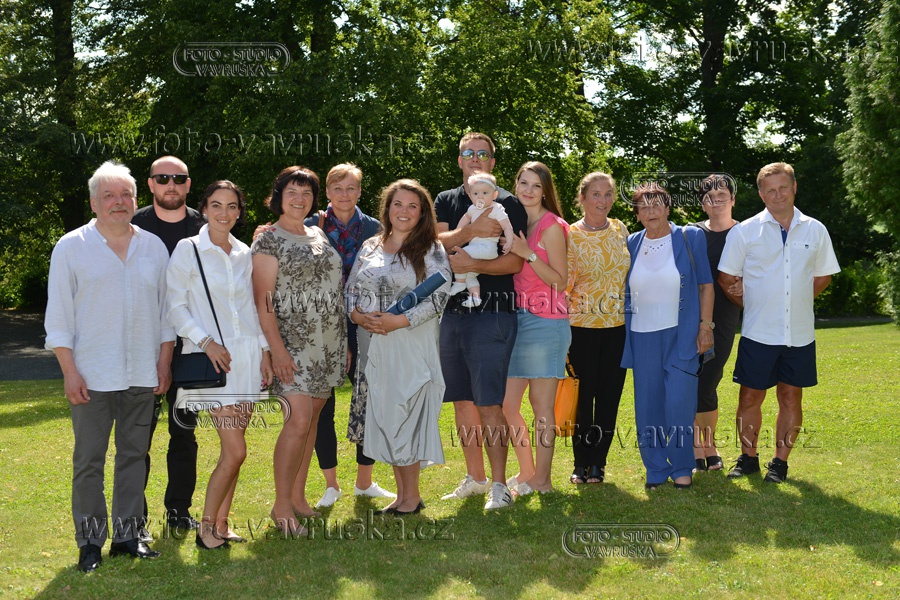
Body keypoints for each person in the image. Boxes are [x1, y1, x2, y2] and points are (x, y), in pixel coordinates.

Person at [45, 161, 171, 571]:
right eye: (109, 196)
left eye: (126, 195)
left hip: (142, 373)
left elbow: (167, 313)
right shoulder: (71, 247)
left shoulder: (154, 247)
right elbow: (58, 318)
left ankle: (128, 537)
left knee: (134, 455)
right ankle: (89, 542)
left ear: (136, 199)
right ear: (94, 203)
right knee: (89, 461)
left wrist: (164, 362)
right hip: (91, 375)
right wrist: (69, 371)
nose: (119, 202)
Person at [166, 181, 273, 549]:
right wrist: (206, 341)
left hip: (246, 358)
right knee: (236, 450)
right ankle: (207, 530)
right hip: (212, 362)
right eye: (216, 205)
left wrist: (264, 351)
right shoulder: (188, 249)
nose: (223, 213)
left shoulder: (244, 252)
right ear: (204, 209)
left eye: (231, 206)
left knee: (234, 451)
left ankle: (222, 525)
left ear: (239, 212)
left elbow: (250, 309)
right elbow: (175, 307)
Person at [718, 162, 840, 483]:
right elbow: (727, 279)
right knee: (749, 398)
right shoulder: (745, 231)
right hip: (758, 333)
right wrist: (755, 305)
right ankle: (748, 459)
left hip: (799, 334)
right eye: (770, 190)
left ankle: (780, 464)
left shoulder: (815, 229)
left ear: (794, 187)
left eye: (783, 187)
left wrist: (793, 304)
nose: (778, 195)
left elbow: (823, 276)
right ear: (761, 194)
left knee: (790, 397)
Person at [345, 179, 451, 513]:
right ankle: (405, 497)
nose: (404, 211)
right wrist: (358, 316)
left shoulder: (431, 248)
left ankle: (411, 496)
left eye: (412, 206)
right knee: (389, 415)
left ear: (422, 213)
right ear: (387, 209)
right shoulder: (370, 246)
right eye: (398, 204)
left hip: (411, 341)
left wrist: (399, 321)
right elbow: (351, 289)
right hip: (374, 343)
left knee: (407, 413)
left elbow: (439, 296)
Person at [251, 166, 347, 536]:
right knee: (298, 420)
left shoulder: (318, 233)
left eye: (306, 193)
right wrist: (276, 351)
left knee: (312, 422)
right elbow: (264, 303)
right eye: (292, 191)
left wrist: (341, 344)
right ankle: (281, 507)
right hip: (292, 342)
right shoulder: (268, 240)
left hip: (328, 342)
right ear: (278, 196)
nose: (299, 198)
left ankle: (297, 497)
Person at [435, 132, 528, 510]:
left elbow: (516, 261)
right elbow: (436, 245)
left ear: (492, 162)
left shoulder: (509, 203)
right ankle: (475, 478)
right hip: (452, 313)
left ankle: (500, 486)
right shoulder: (446, 200)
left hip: (493, 313)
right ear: (460, 160)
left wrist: (474, 262)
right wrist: (471, 232)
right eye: (468, 153)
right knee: (461, 401)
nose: (475, 158)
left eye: (483, 154)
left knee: (489, 403)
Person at [306, 164, 395, 509]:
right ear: (327, 192)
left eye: (351, 188)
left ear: (360, 191)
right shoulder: (309, 225)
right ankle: (331, 485)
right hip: (320, 326)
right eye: (338, 188)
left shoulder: (376, 229)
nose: (345, 194)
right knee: (322, 404)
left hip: (364, 323)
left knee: (368, 401)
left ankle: (364, 481)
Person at [621, 183, 714, 490]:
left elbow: (706, 285)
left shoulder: (690, 236)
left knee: (679, 403)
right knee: (648, 406)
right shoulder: (631, 243)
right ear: (636, 214)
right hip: (642, 336)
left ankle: (683, 465)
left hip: (682, 335)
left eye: (656, 204)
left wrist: (705, 326)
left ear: (667, 208)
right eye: (643, 207)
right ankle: (656, 467)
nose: (651, 211)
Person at [132, 155, 205, 535]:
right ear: (150, 184)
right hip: (142, 346)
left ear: (188, 184)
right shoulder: (132, 226)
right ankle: (135, 518)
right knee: (137, 438)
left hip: (190, 347)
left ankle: (179, 511)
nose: (171, 184)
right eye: (162, 178)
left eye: (178, 178)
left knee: (184, 435)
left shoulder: (204, 227)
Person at [502, 162, 570, 496]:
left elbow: (560, 281)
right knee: (507, 405)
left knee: (541, 405)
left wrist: (527, 254)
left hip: (547, 322)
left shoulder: (551, 226)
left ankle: (542, 480)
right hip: (517, 320)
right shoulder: (513, 221)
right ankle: (528, 472)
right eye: (523, 183)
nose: (528, 191)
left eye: (536, 186)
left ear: (545, 192)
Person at [565, 172, 630, 485]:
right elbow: (564, 283)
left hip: (618, 328)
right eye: (595, 194)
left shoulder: (620, 229)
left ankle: (598, 463)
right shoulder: (570, 234)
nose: (602, 200)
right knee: (582, 398)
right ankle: (581, 462)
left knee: (609, 397)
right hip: (581, 328)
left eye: (608, 194)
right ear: (582, 198)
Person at [690, 175, 741, 473]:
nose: (716, 200)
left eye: (722, 195)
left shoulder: (746, 233)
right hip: (691, 318)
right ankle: (696, 445)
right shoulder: (692, 234)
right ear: (703, 204)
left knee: (709, 378)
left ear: (732, 200)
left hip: (724, 317)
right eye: (709, 196)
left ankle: (709, 443)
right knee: (690, 379)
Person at [448, 173, 515, 308]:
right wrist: (457, 232)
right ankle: (475, 298)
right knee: (470, 275)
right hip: (477, 249)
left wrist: (509, 241)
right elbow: (465, 219)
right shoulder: (472, 208)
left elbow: (507, 226)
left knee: (461, 256)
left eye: (485, 193)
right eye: (476, 193)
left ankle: (459, 282)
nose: (480, 197)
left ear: (494, 195)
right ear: (470, 196)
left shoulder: (496, 209)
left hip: (487, 249)